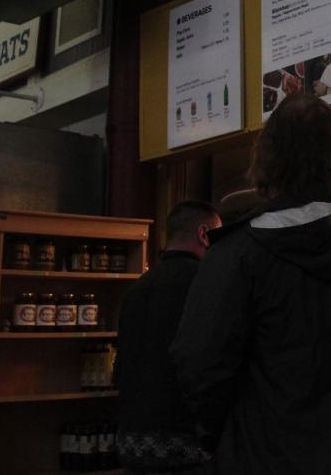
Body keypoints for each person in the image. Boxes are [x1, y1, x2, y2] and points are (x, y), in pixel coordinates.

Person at [171, 94, 331, 474]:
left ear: (267, 161)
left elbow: (199, 366)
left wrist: (229, 441)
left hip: (263, 462)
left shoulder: (235, 256)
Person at [115, 200, 221, 475]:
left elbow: (122, 365)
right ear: (203, 234)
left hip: (132, 442)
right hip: (186, 445)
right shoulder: (206, 284)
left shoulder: (137, 288)